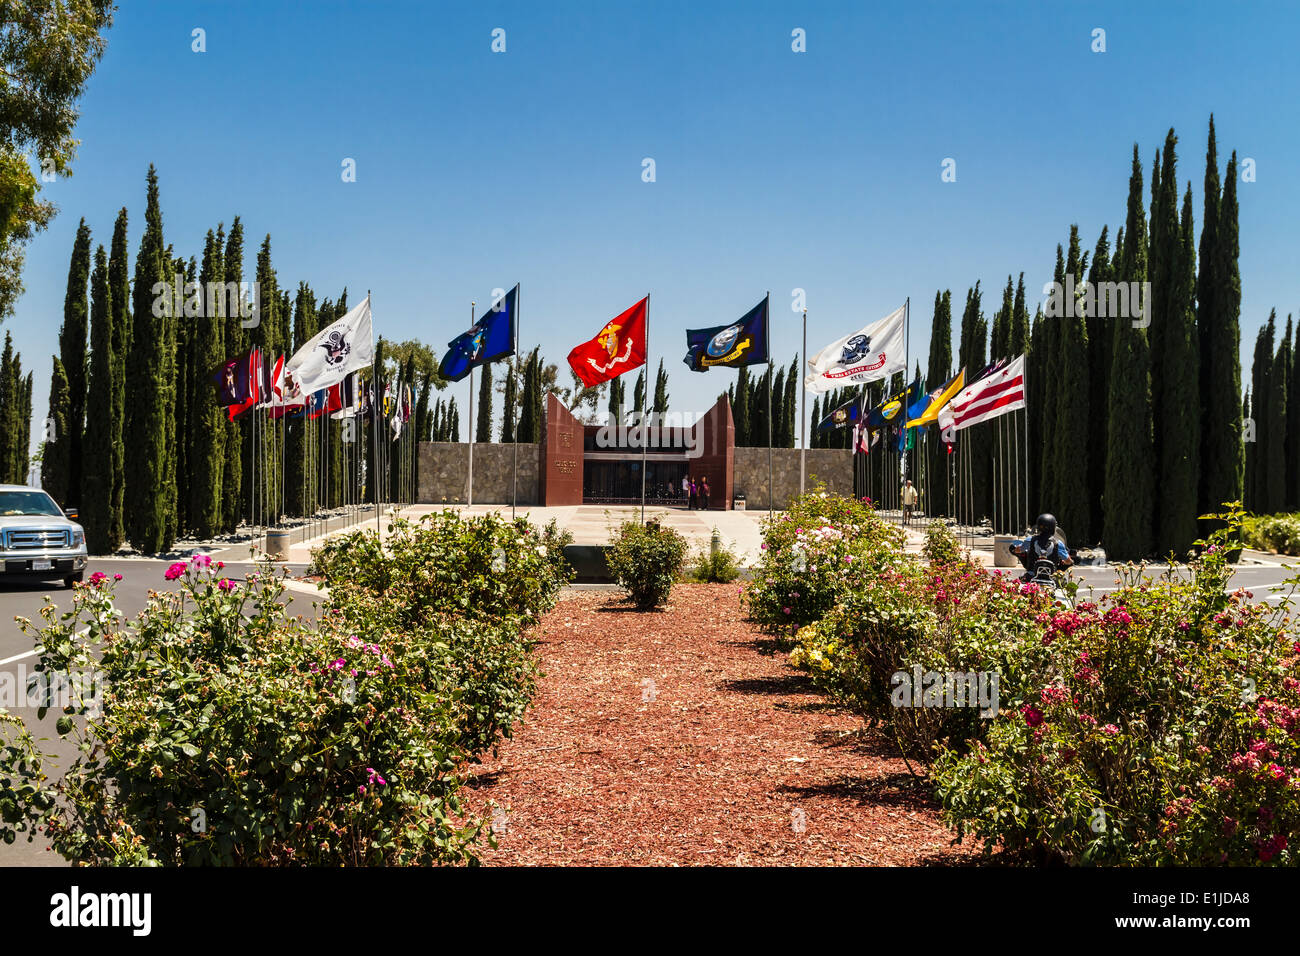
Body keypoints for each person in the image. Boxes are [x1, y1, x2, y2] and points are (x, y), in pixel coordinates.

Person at [1010, 513, 1073, 583]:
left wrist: (1016, 549)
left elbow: (1018, 550)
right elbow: (1069, 561)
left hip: (1031, 575)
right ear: (1053, 527)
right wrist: (1064, 562)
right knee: (1063, 583)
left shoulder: (1030, 540)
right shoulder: (1058, 544)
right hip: (1051, 576)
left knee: (1021, 583)